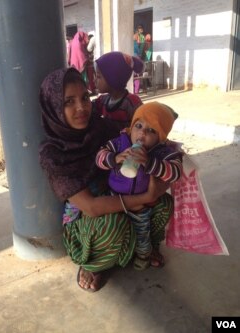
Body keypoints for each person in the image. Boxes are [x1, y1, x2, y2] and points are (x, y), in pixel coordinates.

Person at [39, 67, 173, 292]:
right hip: (87, 222)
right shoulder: (54, 154)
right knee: (113, 224)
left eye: (84, 97)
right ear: (53, 106)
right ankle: (92, 264)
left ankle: (144, 247)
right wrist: (146, 196)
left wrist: (168, 161)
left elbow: (144, 135)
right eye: (68, 102)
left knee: (164, 204)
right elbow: (90, 207)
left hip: (122, 197)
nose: (81, 107)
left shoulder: (104, 127)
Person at [96, 102, 182, 270]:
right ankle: (113, 256)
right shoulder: (121, 142)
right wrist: (114, 158)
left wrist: (150, 163)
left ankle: (144, 255)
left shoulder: (162, 152)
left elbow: (176, 172)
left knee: (143, 234)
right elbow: (99, 156)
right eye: (139, 125)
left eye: (151, 130)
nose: (142, 133)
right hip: (115, 199)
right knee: (115, 230)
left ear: (161, 137)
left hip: (141, 207)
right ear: (131, 126)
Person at [93, 51, 144, 132]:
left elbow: (143, 125)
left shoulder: (132, 103)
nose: (94, 80)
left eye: (98, 76)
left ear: (113, 79)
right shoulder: (102, 101)